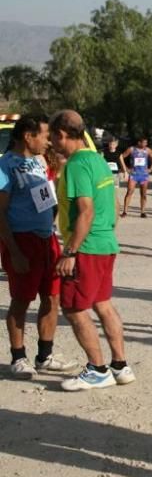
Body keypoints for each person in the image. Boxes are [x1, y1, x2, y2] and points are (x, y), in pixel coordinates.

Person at [49, 110, 134, 391]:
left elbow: (85, 211)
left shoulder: (75, 165)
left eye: (52, 136)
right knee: (102, 304)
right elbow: (110, 203)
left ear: (62, 134)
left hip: (86, 247)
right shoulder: (98, 160)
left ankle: (98, 369)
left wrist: (69, 252)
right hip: (105, 243)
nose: (51, 141)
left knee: (73, 307)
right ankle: (120, 366)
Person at [0, 116, 75, 379]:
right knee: (21, 300)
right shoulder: (4, 166)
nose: (48, 140)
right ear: (27, 136)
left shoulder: (41, 161)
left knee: (52, 297)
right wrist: (14, 251)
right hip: (22, 240)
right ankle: (18, 357)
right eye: (43, 135)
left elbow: (47, 199)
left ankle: (45, 355)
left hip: (48, 239)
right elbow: (0, 213)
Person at [119, 136, 152, 217]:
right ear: (139, 142)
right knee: (129, 192)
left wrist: (151, 168)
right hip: (134, 175)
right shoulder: (131, 149)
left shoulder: (148, 150)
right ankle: (125, 211)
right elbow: (121, 156)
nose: (146, 144)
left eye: (146, 142)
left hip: (144, 175)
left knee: (143, 194)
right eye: (144, 142)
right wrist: (126, 169)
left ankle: (142, 212)